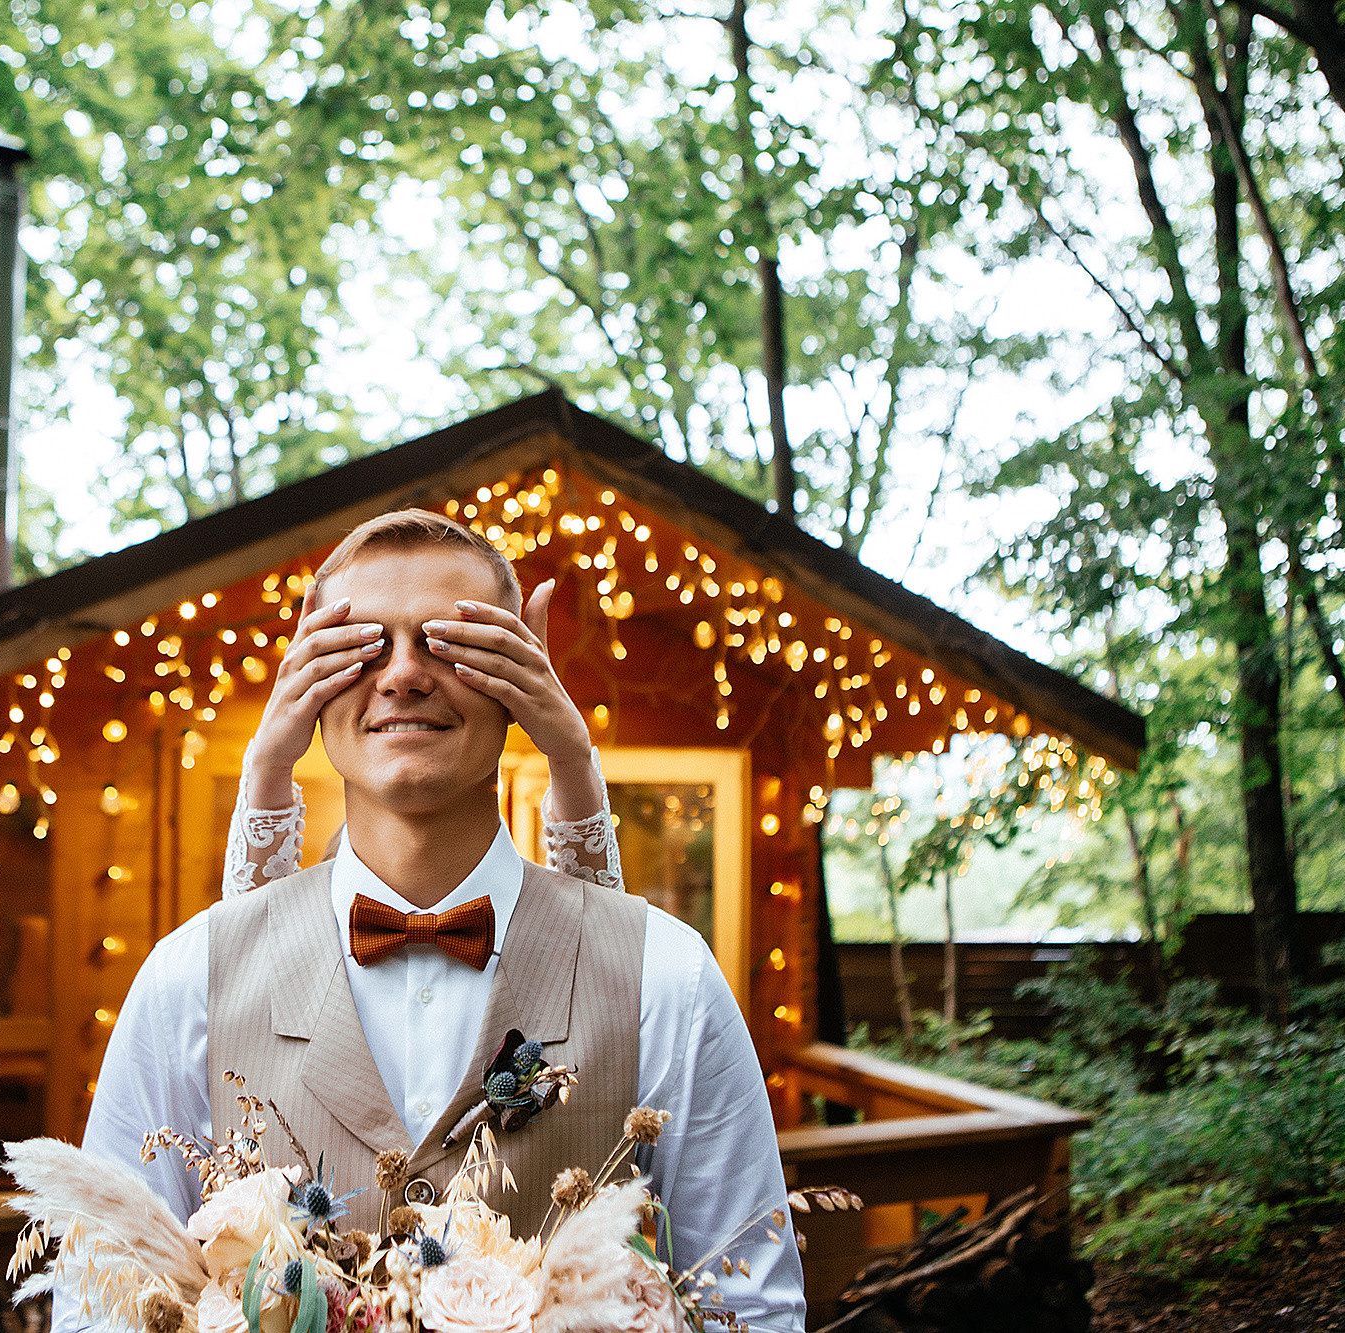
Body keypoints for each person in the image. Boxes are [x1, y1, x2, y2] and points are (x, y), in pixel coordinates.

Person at [69, 510, 805, 1331]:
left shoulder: (667, 975)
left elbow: (756, 1307)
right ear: (312, 677)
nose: (404, 675)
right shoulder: (186, 980)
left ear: (519, 671)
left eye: (450, 642)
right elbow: (100, 1306)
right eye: (364, 646)